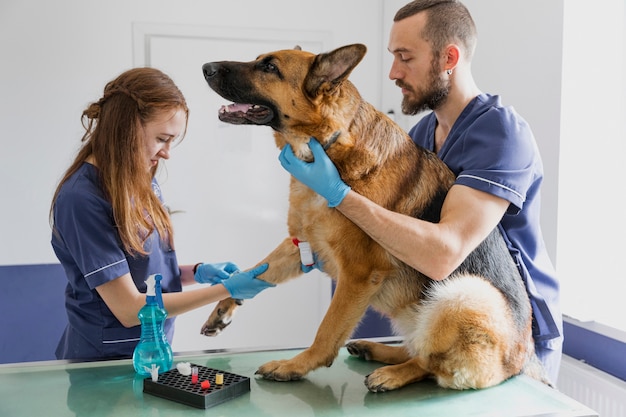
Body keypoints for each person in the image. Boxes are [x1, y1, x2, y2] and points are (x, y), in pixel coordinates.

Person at [278, 0, 562, 384]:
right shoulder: (422, 135)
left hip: (498, 334)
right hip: (437, 325)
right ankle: (415, 355)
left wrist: (340, 196)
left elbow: (444, 254)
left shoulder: (499, 133)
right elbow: (382, 241)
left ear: (449, 57)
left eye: (405, 57)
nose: (394, 72)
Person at [50, 67, 274, 361]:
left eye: (172, 141)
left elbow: (146, 273)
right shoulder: (82, 199)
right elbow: (129, 308)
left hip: (152, 350)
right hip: (104, 362)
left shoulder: (140, 177)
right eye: (162, 139)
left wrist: (198, 272)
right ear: (126, 129)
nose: (167, 152)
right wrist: (224, 289)